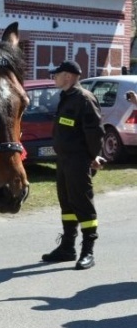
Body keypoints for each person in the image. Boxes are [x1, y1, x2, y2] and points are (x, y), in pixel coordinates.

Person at [40, 60, 104, 270]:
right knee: (67, 204)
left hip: (77, 161)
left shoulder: (84, 99)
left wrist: (92, 156)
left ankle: (88, 251)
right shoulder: (66, 97)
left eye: (56, 74)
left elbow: (95, 132)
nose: (54, 78)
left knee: (83, 205)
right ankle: (67, 247)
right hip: (65, 160)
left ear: (67, 76)